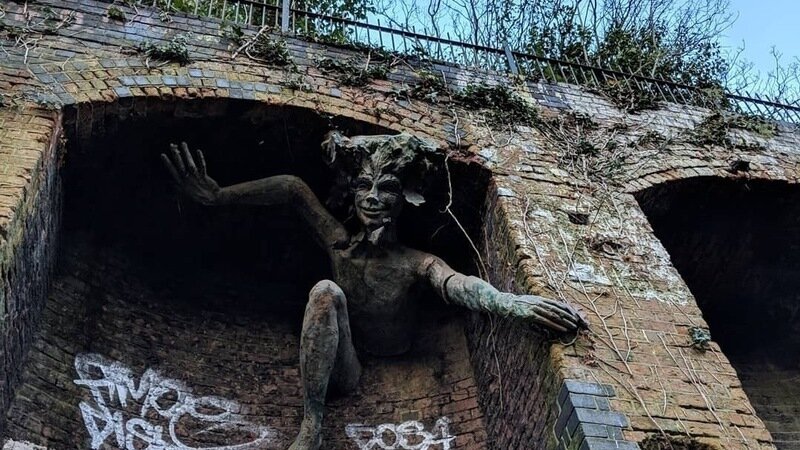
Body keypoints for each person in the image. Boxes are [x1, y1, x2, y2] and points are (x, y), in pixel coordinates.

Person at [161, 131, 588, 450]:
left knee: (332, 288)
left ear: (405, 200)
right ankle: (312, 425)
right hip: (348, 361)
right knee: (325, 290)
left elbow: (458, 285)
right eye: (364, 186)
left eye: (387, 189)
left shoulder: (415, 261)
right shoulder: (340, 243)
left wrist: (512, 303)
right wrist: (218, 196)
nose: (372, 197)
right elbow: (293, 189)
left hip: (400, 356)